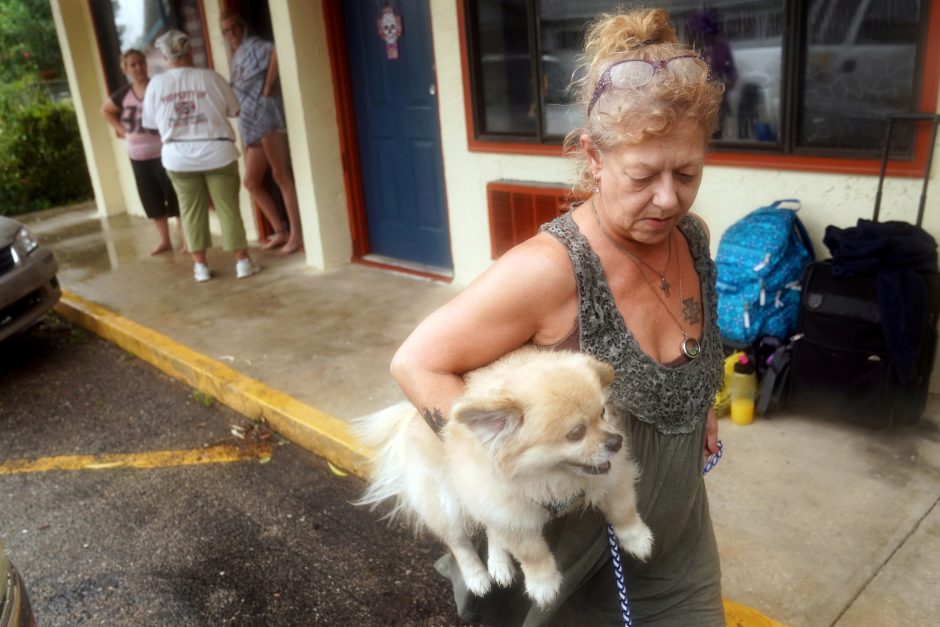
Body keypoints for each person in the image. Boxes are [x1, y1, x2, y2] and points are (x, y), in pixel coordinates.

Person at [390, 8, 725, 626]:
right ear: (594, 157)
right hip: (570, 566)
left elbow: (694, 343)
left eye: (687, 173)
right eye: (643, 175)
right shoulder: (550, 270)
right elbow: (417, 363)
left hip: (677, 542)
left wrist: (697, 405)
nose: (669, 198)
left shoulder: (693, 238)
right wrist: (499, 472)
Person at [142, 29, 260, 283]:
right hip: (217, 151)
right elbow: (235, 109)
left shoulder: (156, 85)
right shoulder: (211, 78)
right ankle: (242, 262)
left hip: (178, 155)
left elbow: (151, 122)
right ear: (190, 51)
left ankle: (201, 267)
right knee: (228, 208)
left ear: (164, 56)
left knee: (190, 211)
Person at [220, 11, 303, 255]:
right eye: (225, 30)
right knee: (251, 181)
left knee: (280, 175)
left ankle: (296, 235)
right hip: (250, 122)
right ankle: (280, 230)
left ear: (242, 27)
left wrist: (268, 85)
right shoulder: (235, 56)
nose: (231, 34)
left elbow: (278, 51)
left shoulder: (255, 46)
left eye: (234, 27)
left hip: (266, 117)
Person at [101, 49, 185, 256]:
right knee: (152, 198)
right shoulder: (123, 95)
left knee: (174, 195)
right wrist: (124, 131)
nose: (138, 67)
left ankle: (185, 239)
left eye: (141, 63)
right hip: (137, 156)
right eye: (133, 64)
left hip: (163, 153)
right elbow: (105, 110)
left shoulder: (158, 87)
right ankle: (165, 240)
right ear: (125, 69)